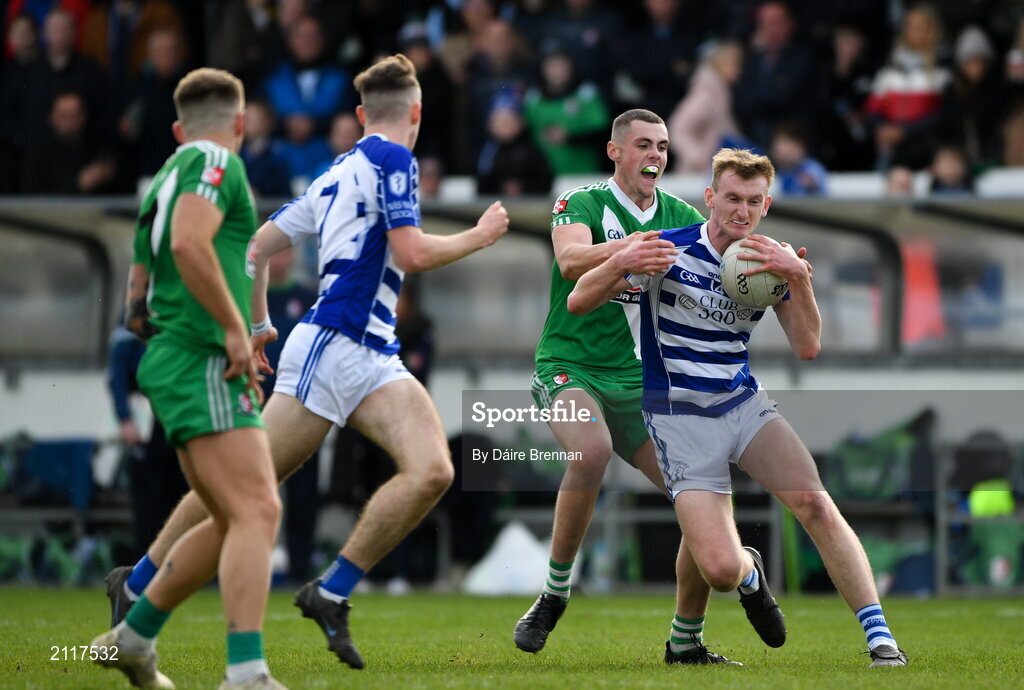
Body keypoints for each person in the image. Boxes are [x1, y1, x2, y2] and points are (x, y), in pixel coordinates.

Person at [104, 53, 509, 669]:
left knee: (432, 470)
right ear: (417, 114)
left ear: (358, 114)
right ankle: (142, 583)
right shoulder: (394, 158)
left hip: (371, 351)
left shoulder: (332, 172)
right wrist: (480, 236)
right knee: (245, 489)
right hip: (333, 343)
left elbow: (259, 249)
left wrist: (262, 324)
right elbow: (412, 251)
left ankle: (331, 589)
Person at [567, 147, 908, 668]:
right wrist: (621, 261)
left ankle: (881, 639)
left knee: (814, 503)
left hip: (744, 405)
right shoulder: (667, 248)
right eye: (731, 198)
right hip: (677, 418)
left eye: (753, 200)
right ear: (710, 198)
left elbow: (808, 345)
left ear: (766, 205)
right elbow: (579, 300)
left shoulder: (770, 262)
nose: (741, 211)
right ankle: (748, 571)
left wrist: (799, 277)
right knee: (721, 571)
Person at [516, 109, 747, 666]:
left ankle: (686, 640)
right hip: (572, 366)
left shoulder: (681, 214)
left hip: (645, 383)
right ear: (615, 151)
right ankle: (553, 593)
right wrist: (630, 252)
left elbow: (723, 263)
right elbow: (570, 261)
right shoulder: (581, 202)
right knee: (590, 452)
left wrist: (774, 271)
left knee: (698, 497)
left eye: (663, 147)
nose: (656, 156)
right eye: (643, 145)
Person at [90, 67, 286, 689]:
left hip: (179, 357)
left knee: (233, 517)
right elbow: (188, 245)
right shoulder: (216, 162)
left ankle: (133, 637)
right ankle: (246, 673)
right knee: (258, 509)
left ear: (177, 128)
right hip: (200, 356)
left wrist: (190, 340)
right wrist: (231, 331)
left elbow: (135, 301)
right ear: (241, 122)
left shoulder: (165, 176)